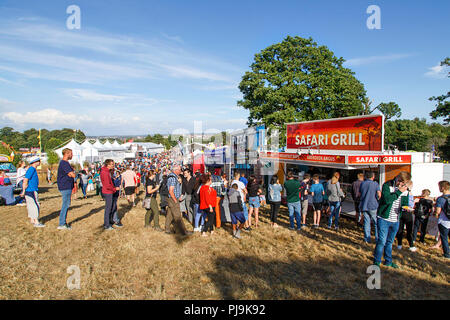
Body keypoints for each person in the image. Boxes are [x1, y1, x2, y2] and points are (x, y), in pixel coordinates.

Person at [373, 171, 411, 268]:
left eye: (404, 183)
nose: (402, 185)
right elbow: (386, 200)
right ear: (398, 178)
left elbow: (405, 202)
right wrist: (398, 192)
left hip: (396, 219)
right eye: (401, 182)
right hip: (384, 218)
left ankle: (388, 261)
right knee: (381, 241)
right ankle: (377, 260)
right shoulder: (387, 185)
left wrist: (406, 207)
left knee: (390, 242)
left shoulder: (405, 189)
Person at [165, 165, 191, 236]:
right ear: (176, 170)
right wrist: (175, 200)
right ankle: (183, 231)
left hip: (171, 198)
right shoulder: (173, 178)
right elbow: (171, 190)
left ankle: (167, 229)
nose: (181, 171)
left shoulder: (172, 177)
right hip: (173, 198)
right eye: (180, 170)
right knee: (177, 216)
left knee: (170, 214)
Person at [20, 156, 44, 228]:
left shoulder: (31, 169)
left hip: (30, 190)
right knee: (35, 205)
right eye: (38, 161)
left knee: (30, 205)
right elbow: (26, 180)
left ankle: (32, 220)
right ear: (35, 162)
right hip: (32, 190)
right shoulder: (32, 169)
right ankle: (36, 221)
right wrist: (24, 190)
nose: (39, 162)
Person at [359, 171, 381, 244]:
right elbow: (379, 194)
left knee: (367, 223)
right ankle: (377, 239)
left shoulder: (362, 183)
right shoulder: (375, 184)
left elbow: (360, 194)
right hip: (373, 205)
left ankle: (367, 239)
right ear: (373, 177)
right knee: (376, 223)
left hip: (364, 205)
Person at [56, 148, 76, 230]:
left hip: (66, 185)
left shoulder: (64, 163)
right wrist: (76, 174)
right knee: (66, 205)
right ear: (67, 153)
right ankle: (62, 223)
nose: (72, 155)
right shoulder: (64, 163)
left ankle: (63, 222)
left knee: (66, 204)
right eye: (71, 153)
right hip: (65, 186)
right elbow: (72, 174)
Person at [396, 180, 415, 251]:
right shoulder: (409, 193)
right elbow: (411, 204)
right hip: (407, 213)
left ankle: (399, 244)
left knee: (400, 229)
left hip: (400, 212)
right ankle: (411, 245)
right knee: (409, 230)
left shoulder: (400, 192)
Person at [100, 159, 118, 230]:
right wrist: (114, 189)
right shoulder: (105, 172)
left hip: (109, 191)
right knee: (108, 208)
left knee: (112, 207)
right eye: (112, 164)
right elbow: (107, 185)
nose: (113, 166)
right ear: (108, 165)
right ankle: (107, 224)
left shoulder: (107, 171)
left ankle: (110, 221)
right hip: (108, 192)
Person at [435, 180, 450, 259]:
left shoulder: (440, 199)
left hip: (443, 221)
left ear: (443, 188)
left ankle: (447, 254)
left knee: (444, 238)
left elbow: (438, 211)